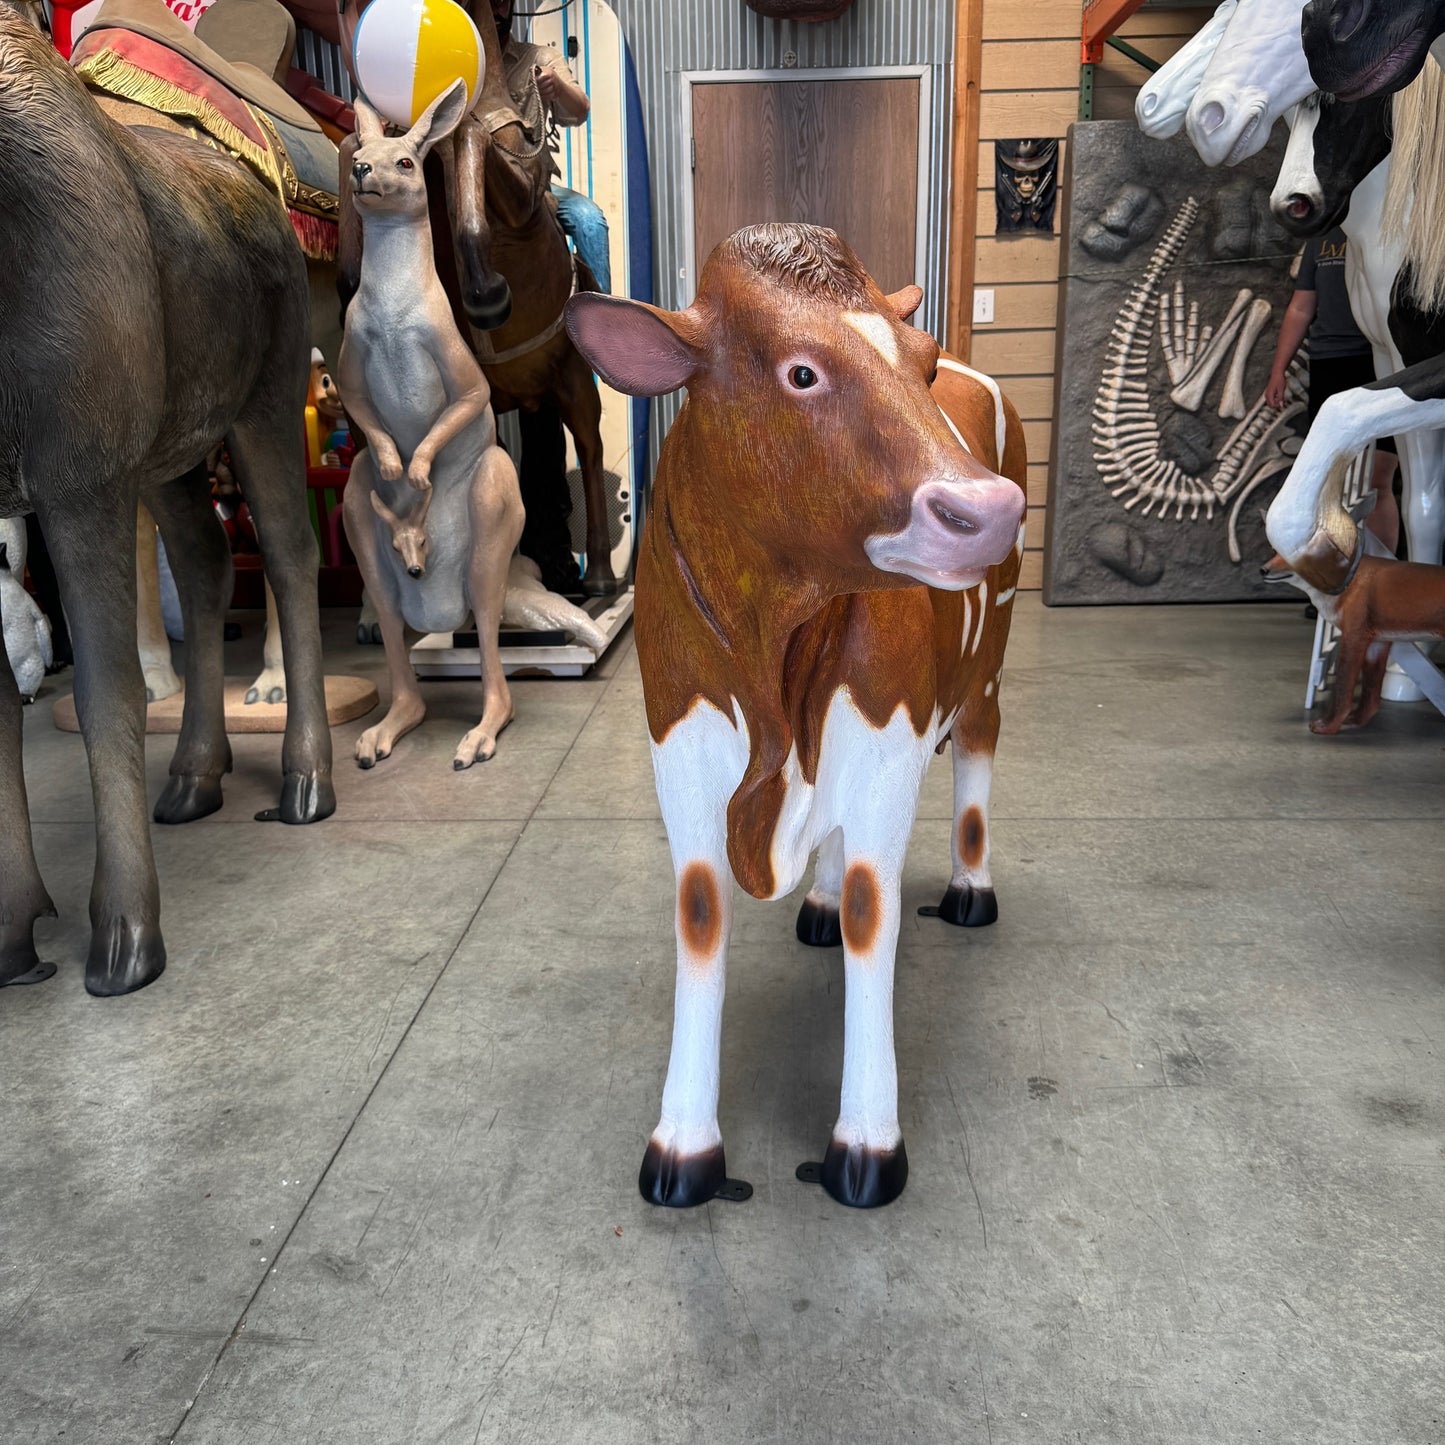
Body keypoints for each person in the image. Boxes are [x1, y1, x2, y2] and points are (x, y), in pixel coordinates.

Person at [1265, 227, 1400, 551]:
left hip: (1381, 359)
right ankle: (1336, 584)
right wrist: (1278, 369)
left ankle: (1379, 581)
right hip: (1330, 360)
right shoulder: (1321, 237)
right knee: (1329, 482)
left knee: (1377, 478)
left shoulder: (1391, 228)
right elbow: (1302, 306)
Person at [489, 0, 612, 293]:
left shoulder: (538, 58)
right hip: (480, 185)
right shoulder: (461, 66)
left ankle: (605, 322)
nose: (496, 10)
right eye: (489, 3)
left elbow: (580, 109)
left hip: (534, 185)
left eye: (503, 2)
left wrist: (558, 86)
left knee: (589, 220)